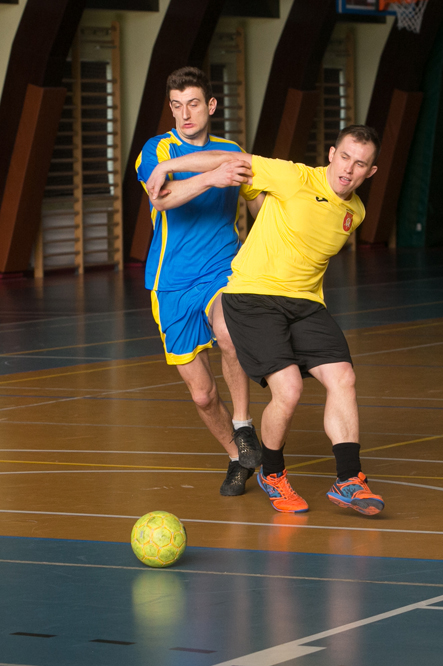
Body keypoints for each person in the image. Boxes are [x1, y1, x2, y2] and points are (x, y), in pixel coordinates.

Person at [146, 124, 385, 516]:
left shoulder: (354, 212)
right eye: (344, 157)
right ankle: (272, 474)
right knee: (289, 389)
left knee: (344, 377)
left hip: (305, 303)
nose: (349, 169)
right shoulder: (293, 177)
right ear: (331, 154)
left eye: (360, 164)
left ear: (370, 172)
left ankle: (349, 480)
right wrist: (166, 166)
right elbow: (231, 160)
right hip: (254, 297)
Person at [136, 66, 264, 497]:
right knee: (203, 396)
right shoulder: (157, 149)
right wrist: (211, 177)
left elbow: (258, 205)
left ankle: (243, 425)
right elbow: (163, 198)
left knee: (228, 332)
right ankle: (237, 457)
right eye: (176, 106)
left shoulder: (232, 151)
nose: (185, 114)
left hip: (222, 270)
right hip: (170, 283)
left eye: (193, 104)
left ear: (210, 105)